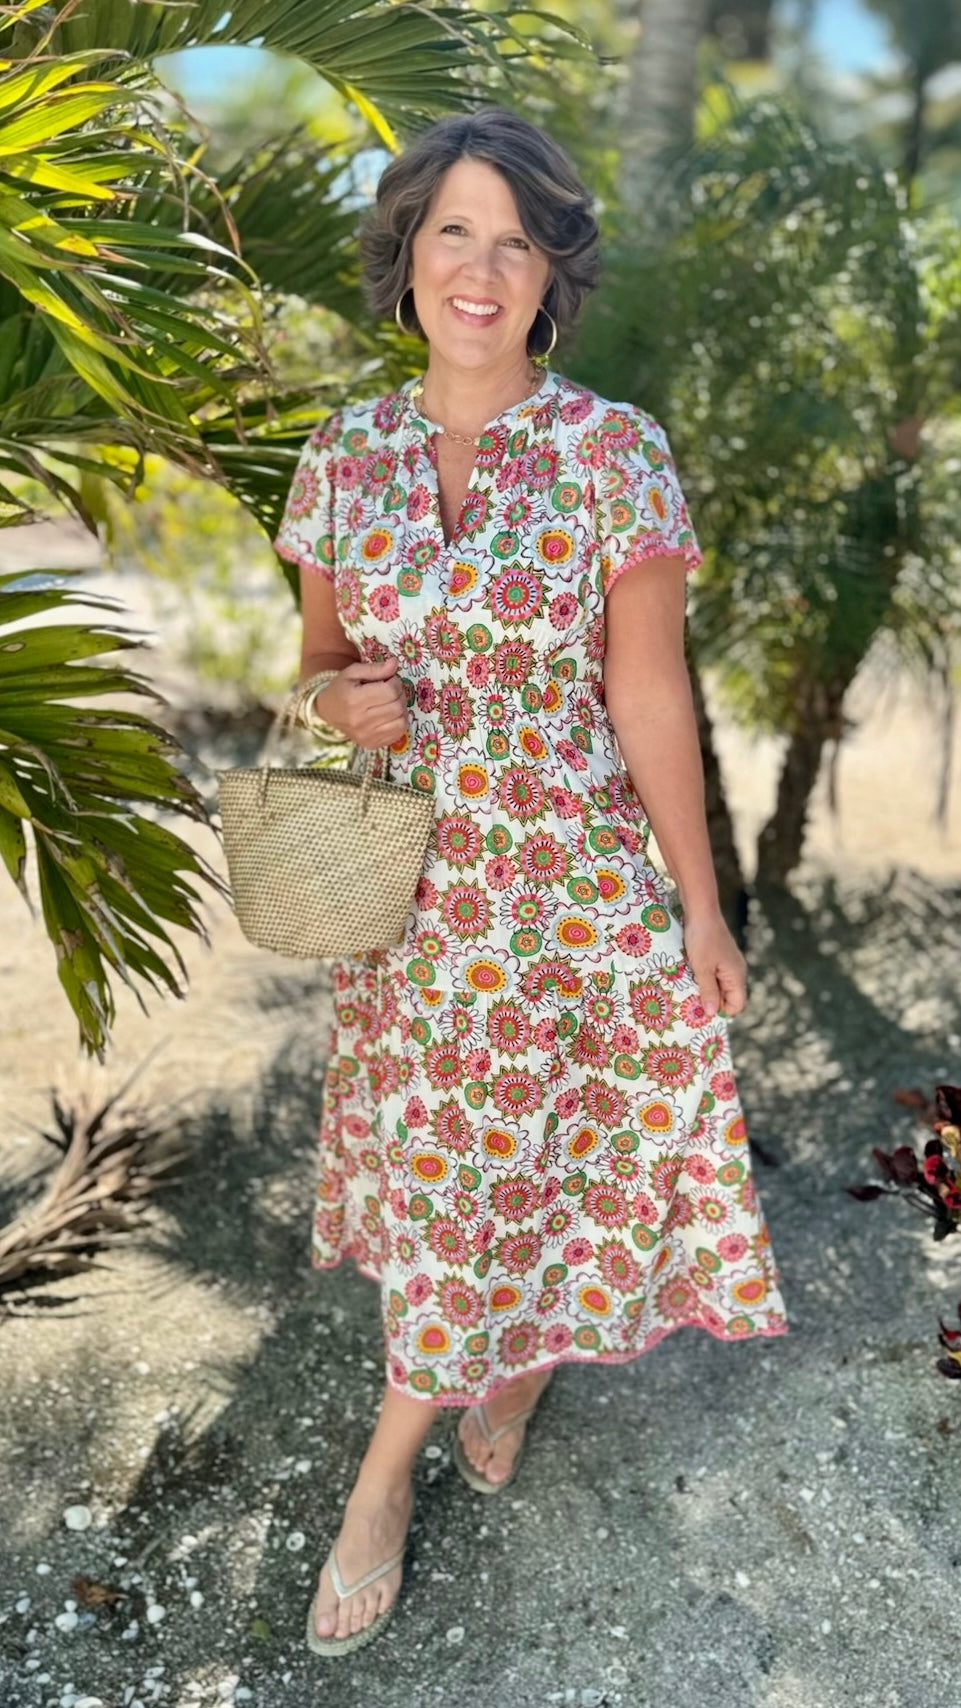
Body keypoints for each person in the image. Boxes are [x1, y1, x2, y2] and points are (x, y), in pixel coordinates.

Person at [273, 107, 787, 1657]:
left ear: (552, 273)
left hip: (570, 887)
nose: (480, 269)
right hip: (413, 907)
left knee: (551, 1157)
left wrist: (699, 903)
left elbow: (647, 694)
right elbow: (313, 667)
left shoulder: (612, 452)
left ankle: (405, 1458)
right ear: (407, 255)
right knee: (455, 1185)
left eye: (514, 241)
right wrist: (338, 703)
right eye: (453, 231)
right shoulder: (342, 455)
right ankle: (463, 1396)